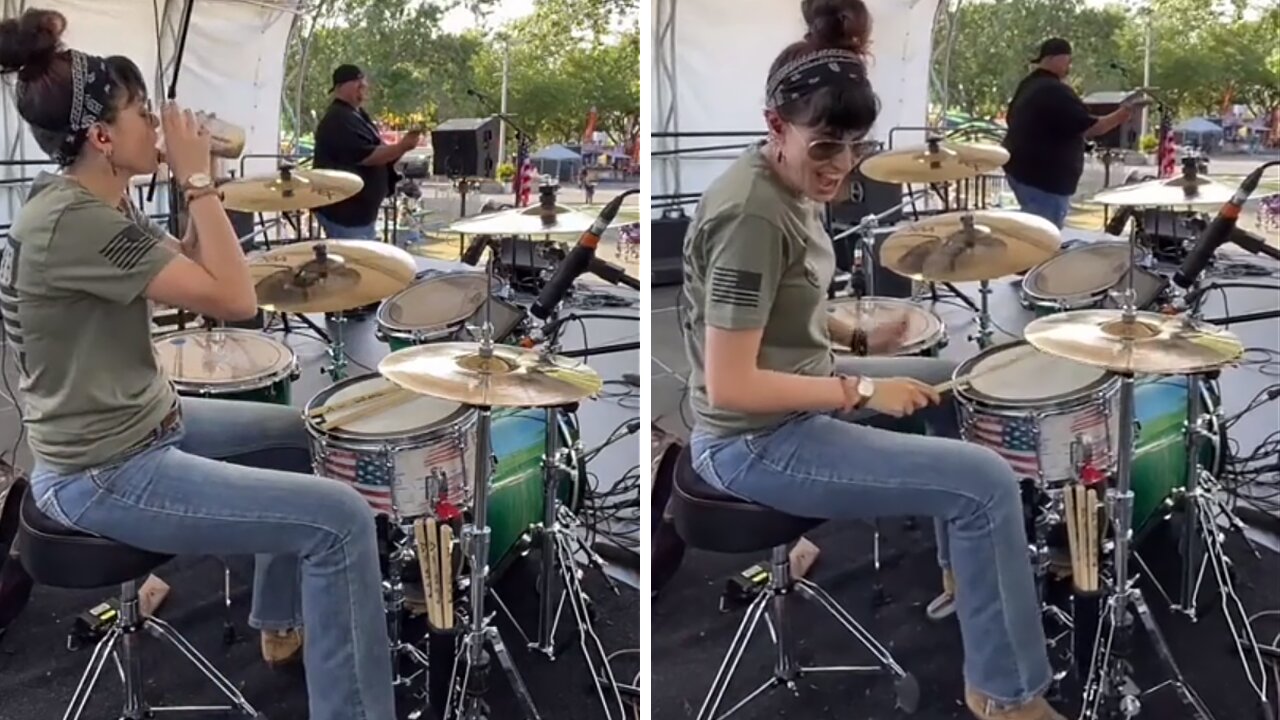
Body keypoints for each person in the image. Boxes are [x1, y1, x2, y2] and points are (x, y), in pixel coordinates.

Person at [0, 10, 396, 720]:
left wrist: (199, 184)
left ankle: (280, 618)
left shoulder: (92, 201)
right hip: (104, 469)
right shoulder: (74, 221)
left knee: (306, 436)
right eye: (142, 113)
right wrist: (200, 185)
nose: (157, 124)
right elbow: (236, 300)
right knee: (341, 519)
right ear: (100, 136)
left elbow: (188, 265)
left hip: (147, 422)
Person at [681, 1, 1064, 718]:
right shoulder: (752, 214)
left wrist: (861, 342)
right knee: (984, 482)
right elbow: (732, 382)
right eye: (825, 147)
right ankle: (1006, 696)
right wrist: (859, 388)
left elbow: (774, 322)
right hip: (752, 441)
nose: (841, 167)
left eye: (854, 147)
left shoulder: (786, 184)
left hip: (799, 391)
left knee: (958, 383)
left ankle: (969, 574)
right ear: (776, 127)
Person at [1002, 38, 1139, 229]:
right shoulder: (1053, 90)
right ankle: (1038, 260)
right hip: (1043, 179)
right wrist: (1123, 114)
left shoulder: (1028, 86)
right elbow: (1091, 127)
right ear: (1055, 58)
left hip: (1023, 172)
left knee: (1033, 231)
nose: (1070, 67)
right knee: (1043, 237)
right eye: (1068, 60)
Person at [313, 63, 421, 240]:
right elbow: (366, 156)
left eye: (363, 82)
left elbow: (380, 150)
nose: (363, 86)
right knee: (354, 264)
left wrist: (402, 148)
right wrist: (401, 146)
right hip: (345, 214)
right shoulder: (338, 119)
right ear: (340, 87)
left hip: (360, 215)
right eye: (357, 83)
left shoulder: (357, 114)